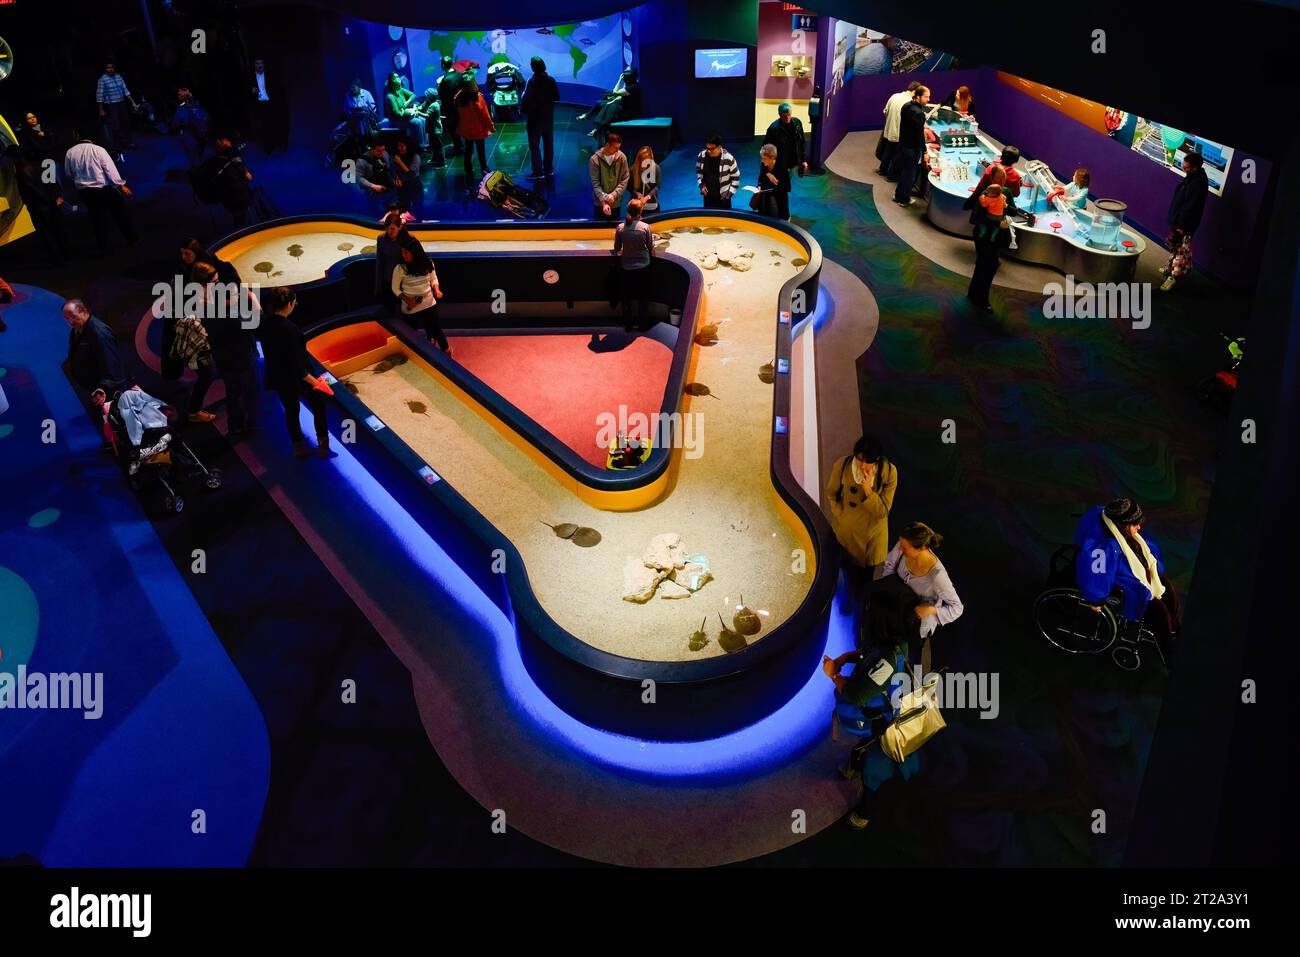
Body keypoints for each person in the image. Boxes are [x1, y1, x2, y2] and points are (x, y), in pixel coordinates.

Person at [1074, 497, 1180, 658]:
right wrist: (1095, 599)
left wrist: (1153, 571)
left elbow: (1148, 555)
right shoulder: (1103, 546)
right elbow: (1097, 573)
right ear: (1121, 525)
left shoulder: (1123, 531)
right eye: (1135, 524)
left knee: (1167, 587)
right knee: (1157, 609)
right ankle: (1168, 649)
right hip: (1119, 582)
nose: (1139, 527)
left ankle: (1175, 629)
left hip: (1128, 570)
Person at [825, 435, 898, 642]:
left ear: (877, 460)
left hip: (871, 538)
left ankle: (859, 617)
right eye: (860, 459)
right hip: (847, 533)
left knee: (865, 577)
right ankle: (848, 603)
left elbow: (883, 511)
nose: (863, 465)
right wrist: (840, 515)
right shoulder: (844, 465)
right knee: (847, 570)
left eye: (868, 461)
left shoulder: (888, 472)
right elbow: (832, 494)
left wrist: (868, 492)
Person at [872, 522, 962, 675]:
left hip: (916, 625)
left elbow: (957, 608)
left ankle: (911, 687)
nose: (900, 548)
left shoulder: (937, 577)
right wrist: (888, 589)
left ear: (921, 548)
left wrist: (931, 610)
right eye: (900, 544)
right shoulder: (903, 545)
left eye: (905, 547)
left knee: (913, 661)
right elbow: (889, 566)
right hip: (897, 611)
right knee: (888, 645)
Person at [260, 286, 331, 458]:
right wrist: (316, 382)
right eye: (295, 301)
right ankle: (323, 442)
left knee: (291, 412)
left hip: (278, 376)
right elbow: (296, 365)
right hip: (299, 376)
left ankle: (298, 446)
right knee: (318, 404)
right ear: (290, 304)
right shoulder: (289, 329)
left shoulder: (264, 323)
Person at [192, 260, 260, 436]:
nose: (218, 285)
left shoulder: (199, 301)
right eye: (214, 282)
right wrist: (253, 300)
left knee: (232, 391)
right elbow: (252, 322)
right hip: (241, 354)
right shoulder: (219, 311)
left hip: (221, 356)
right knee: (249, 391)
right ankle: (252, 426)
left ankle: (234, 427)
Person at [63, 132, 137, 251]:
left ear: (77, 136)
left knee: (97, 219)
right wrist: (121, 185)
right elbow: (110, 170)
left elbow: (68, 173)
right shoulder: (99, 150)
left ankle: (103, 247)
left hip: (85, 192)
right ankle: (132, 240)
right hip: (103, 190)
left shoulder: (70, 152)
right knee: (120, 215)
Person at [7, 146, 71, 265]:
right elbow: (52, 181)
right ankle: (67, 254)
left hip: (39, 207)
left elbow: (34, 190)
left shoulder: (21, 172)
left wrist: (49, 201)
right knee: (58, 230)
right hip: (51, 204)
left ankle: (57, 259)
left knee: (47, 234)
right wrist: (56, 197)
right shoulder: (38, 165)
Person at [391, 238, 450, 354]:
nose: (403, 255)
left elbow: (433, 278)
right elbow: (395, 288)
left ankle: (447, 352)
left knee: (436, 329)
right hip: (410, 308)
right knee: (411, 334)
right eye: (402, 252)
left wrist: (436, 289)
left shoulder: (428, 263)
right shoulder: (400, 269)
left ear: (415, 252)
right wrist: (407, 299)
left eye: (406, 252)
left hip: (429, 303)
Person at [1160, 152, 1208, 292]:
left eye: (1186, 167)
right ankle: (1169, 269)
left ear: (1194, 167)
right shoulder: (1192, 178)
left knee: (1181, 253)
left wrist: (1181, 226)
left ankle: (1172, 279)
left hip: (1185, 225)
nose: (1183, 167)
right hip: (1180, 221)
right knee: (1176, 247)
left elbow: (1190, 207)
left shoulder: (1197, 183)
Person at [63, 298, 131, 396]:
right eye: (67, 318)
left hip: (107, 392)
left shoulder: (100, 333)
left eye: (73, 316)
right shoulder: (76, 330)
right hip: (91, 389)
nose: (70, 322)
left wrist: (103, 388)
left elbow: (112, 365)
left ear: (84, 311)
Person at [967, 172, 1011, 312]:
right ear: (995, 179)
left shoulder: (992, 192)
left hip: (984, 236)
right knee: (988, 267)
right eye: (1001, 178)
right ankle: (981, 299)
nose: (1003, 180)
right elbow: (978, 216)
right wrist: (999, 224)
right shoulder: (992, 193)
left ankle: (974, 294)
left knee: (982, 264)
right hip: (986, 237)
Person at [613, 201, 655, 329]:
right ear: (640, 212)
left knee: (627, 298)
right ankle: (643, 325)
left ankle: (628, 325)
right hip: (643, 267)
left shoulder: (620, 228)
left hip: (626, 267)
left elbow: (617, 248)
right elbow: (650, 247)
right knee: (643, 297)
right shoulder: (645, 227)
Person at [762, 103, 808, 220]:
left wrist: (803, 160)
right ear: (779, 114)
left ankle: (782, 213)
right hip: (779, 166)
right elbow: (766, 151)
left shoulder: (797, 123)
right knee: (779, 188)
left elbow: (801, 142)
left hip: (793, 164)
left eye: (789, 115)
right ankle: (779, 214)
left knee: (784, 188)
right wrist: (766, 170)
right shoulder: (773, 129)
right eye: (784, 115)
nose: (787, 118)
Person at [198, 136, 254, 226]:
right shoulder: (227, 165)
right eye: (230, 147)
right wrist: (246, 178)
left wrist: (245, 171)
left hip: (225, 199)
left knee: (238, 215)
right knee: (241, 220)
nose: (232, 149)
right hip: (236, 200)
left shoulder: (213, 162)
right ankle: (242, 229)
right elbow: (236, 185)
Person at [519, 56, 560, 180]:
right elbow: (557, 97)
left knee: (534, 145)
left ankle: (538, 172)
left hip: (535, 120)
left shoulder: (531, 81)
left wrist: (523, 110)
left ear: (532, 67)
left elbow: (525, 99)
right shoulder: (551, 80)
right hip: (548, 118)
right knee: (548, 144)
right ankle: (548, 169)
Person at [890, 85, 930, 207]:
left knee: (905, 172)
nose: (928, 99)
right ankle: (904, 199)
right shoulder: (919, 113)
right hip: (912, 149)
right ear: (918, 96)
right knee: (910, 175)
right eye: (926, 97)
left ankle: (898, 195)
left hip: (903, 145)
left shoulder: (906, 106)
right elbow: (919, 136)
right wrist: (925, 152)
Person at [455, 75, 495, 186]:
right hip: (478, 129)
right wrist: (491, 126)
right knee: (480, 149)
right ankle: (484, 168)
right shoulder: (478, 97)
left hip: (466, 128)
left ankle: (468, 170)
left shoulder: (458, 97)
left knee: (468, 150)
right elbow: (485, 115)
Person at [385, 72, 439, 154]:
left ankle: (427, 144)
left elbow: (413, 95)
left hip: (405, 116)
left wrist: (407, 103)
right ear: (392, 82)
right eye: (396, 77)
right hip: (396, 120)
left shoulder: (400, 90)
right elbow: (398, 113)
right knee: (417, 122)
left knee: (423, 120)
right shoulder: (390, 97)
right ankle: (420, 146)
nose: (399, 78)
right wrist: (409, 111)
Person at [582, 67, 641, 139]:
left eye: (627, 73)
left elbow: (615, 92)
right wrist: (612, 101)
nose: (624, 75)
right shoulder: (629, 84)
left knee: (610, 108)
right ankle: (596, 127)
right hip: (622, 105)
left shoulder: (633, 87)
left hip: (628, 110)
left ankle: (598, 130)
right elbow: (620, 96)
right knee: (606, 104)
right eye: (624, 73)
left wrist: (619, 80)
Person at [878, 81, 921, 177]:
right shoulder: (910, 104)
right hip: (899, 134)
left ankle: (882, 170)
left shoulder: (895, 96)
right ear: (915, 91)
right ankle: (892, 175)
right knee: (898, 156)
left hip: (889, 129)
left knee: (888, 151)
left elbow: (885, 111)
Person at [95, 60, 138, 155]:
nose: (110, 69)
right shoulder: (102, 79)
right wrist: (101, 109)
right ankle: (118, 146)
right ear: (105, 69)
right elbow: (99, 96)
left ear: (114, 68)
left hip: (121, 103)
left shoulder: (118, 76)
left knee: (125, 123)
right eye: (108, 68)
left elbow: (125, 90)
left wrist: (133, 102)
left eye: (111, 67)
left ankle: (129, 142)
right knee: (116, 126)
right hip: (111, 105)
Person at [250, 57, 288, 154]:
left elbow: (279, 90)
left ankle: (279, 144)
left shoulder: (271, 76)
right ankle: (267, 148)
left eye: (261, 63)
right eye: (257, 63)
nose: (259, 65)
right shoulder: (251, 77)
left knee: (275, 124)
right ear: (254, 65)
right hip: (260, 105)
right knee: (264, 127)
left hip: (272, 104)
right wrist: (252, 91)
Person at [589, 132, 629, 222]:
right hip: (600, 204)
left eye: (619, 147)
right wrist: (604, 202)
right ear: (607, 145)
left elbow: (624, 179)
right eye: (615, 147)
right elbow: (595, 183)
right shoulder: (594, 159)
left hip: (615, 203)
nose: (617, 150)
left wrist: (613, 195)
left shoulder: (622, 158)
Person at [373, 213, 408, 314]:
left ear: (400, 227)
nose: (389, 231)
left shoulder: (407, 239)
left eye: (392, 229)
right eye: (387, 228)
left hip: (404, 283)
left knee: (405, 312)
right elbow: (379, 263)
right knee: (390, 312)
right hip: (388, 281)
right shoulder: (381, 239)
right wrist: (377, 286)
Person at [169, 86, 210, 169]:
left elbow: (174, 126)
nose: (178, 96)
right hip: (204, 134)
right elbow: (207, 116)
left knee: (195, 156)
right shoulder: (197, 104)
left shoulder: (181, 110)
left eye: (179, 95)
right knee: (202, 153)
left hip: (193, 138)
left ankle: (198, 169)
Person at [696, 135, 739, 209]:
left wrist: (728, 194)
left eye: (712, 148)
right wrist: (701, 185)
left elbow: (736, 177)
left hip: (724, 199)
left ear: (719, 146)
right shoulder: (701, 156)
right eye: (707, 148)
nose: (709, 151)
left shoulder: (729, 158)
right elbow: (699, 172)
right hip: (708, 197)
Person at [356, 140, 397, 208]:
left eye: (383, 150)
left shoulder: (385, 153)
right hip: (374, 189)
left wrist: (396, 178)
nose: (382, 153)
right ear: (371, 149)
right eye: (379, 151)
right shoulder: (362, 161)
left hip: (389, 186)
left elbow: (391, 167)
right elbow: (358, 177)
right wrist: (373, 186)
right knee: (375, 206)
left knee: (390, 205)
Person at [754, 143, 789, 220]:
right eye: (761, 158)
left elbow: (788, 188)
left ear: (772, 158)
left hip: (778, 201)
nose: (762, 161)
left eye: (764, 159)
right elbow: (760, 178)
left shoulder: (782, 168)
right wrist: (759, 185)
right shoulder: (764, 165)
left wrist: (776, 182)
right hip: (765, 199)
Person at [436, 57, 463, 157]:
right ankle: (461, 145)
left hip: (450, 108)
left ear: (443, 65)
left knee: (453, 129)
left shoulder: (445, 80)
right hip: (461, 106)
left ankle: (457, 148)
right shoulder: (460, 75)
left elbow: (441, 95)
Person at [390, 139, 424, 210]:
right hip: (402, 186)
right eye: (398, 146)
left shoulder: (415, 157)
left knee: (418, 207)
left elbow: (411, 174)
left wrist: (400, 162)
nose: (399, 148)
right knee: (404, 208)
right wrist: (397, 178)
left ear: (408, 147)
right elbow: (393, 169)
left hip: (414, 185)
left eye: (402, 146)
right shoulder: (397, 156)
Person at [629, 146, 660, 214]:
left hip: (652, 206)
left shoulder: (656, 168)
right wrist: (636, 193)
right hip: (636, 207)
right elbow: (628, 187)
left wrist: (647, 197)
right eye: (642, 161)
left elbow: (657, 187)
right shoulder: (632, 170)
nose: (644, 165)